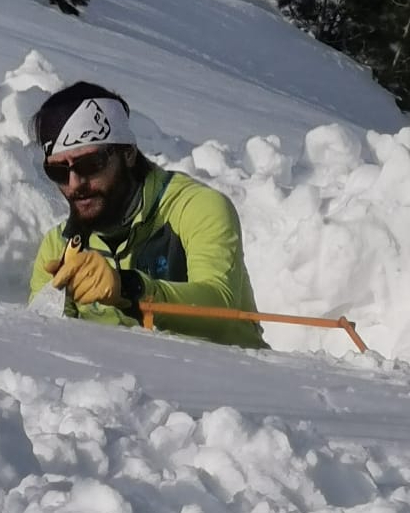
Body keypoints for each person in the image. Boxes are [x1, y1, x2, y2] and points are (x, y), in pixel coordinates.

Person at [28, 81, 263, 346]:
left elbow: (220, 306)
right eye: (58, 171)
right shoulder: (58, 247)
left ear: (127, 153)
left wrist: (130, 289)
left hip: (234, 381)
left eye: (91, 164)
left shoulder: (196, 207)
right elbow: (44, 342)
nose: (75, 184)